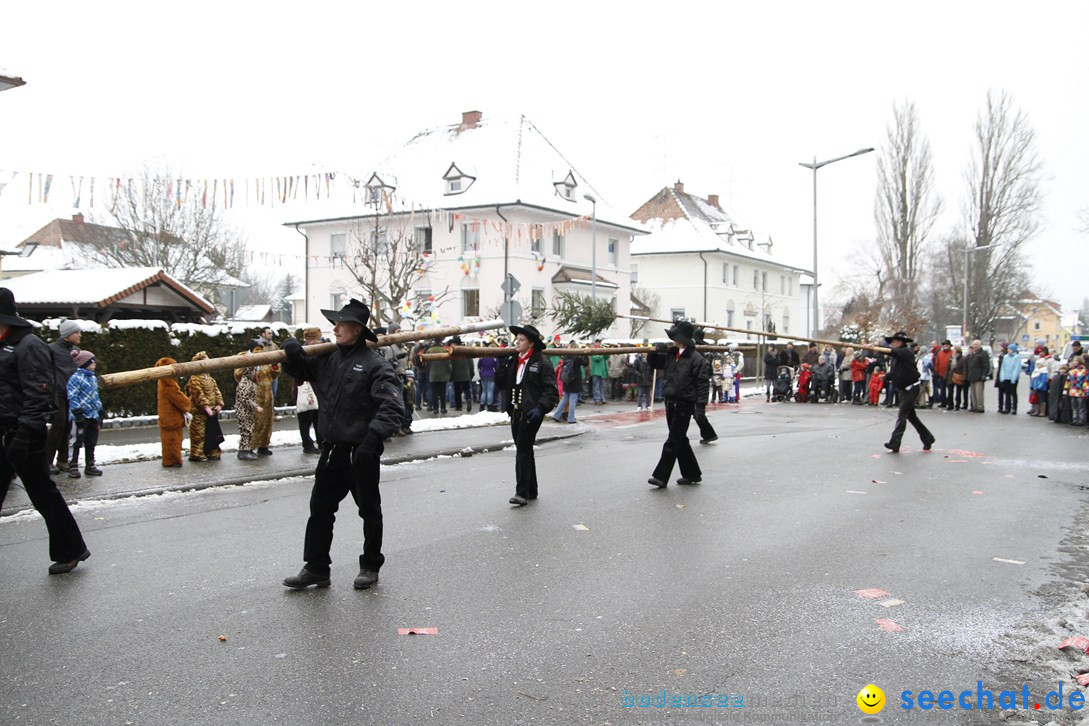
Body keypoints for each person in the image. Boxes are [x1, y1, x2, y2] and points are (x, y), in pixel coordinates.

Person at [280, 299, 403, 590]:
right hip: (332, 450)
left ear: (357, 329)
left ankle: (370, 565)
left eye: (341, 323)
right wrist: (291, 352)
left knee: (369, 511)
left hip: (360, 452)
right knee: (320, 510)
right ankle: (316, 567)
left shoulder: (376, 366)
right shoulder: (327, 359)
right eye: (334, 323)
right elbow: (300, 369)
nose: (334, 328)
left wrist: (370, 442)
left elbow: (392, 409)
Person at [0, 288, 90, 574]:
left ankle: (71, 550)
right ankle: (72, 548)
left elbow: (39, 394)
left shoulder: (29, 346)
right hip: (3, 429)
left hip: (23, 433)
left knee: (42, 493)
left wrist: (24, 435)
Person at [494, 324, 559, 506]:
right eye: (517, 339)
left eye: (521, 340)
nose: (517, 342)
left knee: (522, 449)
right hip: (515, 411)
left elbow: (551, 391)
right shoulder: (514, 361)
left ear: (531, 343)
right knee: (525, 449)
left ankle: (521, 492)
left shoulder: (542, 363)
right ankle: (531, 490)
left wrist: (540, 408)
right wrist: (501, 366)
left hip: (531, 413)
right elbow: (501, 384)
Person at [646, 320, 708, 487]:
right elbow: (654, 364)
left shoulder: (697, 359)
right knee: (681, 439)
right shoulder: (672, 355)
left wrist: (700, 408)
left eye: (676, 338)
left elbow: (703, 385)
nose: (673, 340)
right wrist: (654, 352)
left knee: (673, 440)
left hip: (684, 404)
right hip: (670, 402)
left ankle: (661, 476)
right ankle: (692, 474)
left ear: (682, 339)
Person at [881, 332, 935, 454]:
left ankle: (895, 442)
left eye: (893, 342)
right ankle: (928, 438)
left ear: (900, 342)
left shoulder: (906, 352)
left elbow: (894, 352)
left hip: (912, 388)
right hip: (903, 389)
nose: (892, 344)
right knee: (912, 417)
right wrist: (886, 376)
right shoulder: (896, 357)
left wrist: (878, 348)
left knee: (902, 414)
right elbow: (897, 371)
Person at [47, 318, 81, 474]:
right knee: (58, 424)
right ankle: (47, 461)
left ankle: (63, 460)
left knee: (67, 426)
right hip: (57, 392)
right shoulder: (52, 349)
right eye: (77, 332)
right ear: (68, 334)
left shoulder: (75, 351)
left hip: (71, 393)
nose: (80, 335)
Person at [65, 350, 103, 478]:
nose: (94, 364)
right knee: (76, 441)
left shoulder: (92, 378)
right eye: (92, 362)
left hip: (92, 415)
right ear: (84, 363)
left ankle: (90, 464)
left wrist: (100, 410)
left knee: (91, 441)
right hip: (80, 416)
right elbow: (72, 396)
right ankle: (73, 465)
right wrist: (77, 413)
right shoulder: (76, 378)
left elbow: (95, 396)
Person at [185, 351, 226, 462]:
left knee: (212, 432)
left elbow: (216, 391)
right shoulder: (194, 379)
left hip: (212, 412)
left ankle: (212, 451)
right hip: (199, 412)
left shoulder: (210, 379)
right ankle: (197, 453)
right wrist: (206, 407)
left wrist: (219, 404)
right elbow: (198, 394)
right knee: (198, 433)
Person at [155, 357, 191, 467]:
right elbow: (178, 397)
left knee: (168, 441)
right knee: (173, 441)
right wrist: (187, 404)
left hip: (166, 416)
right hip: (172, 418)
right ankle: (173, 460)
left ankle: (169, 459)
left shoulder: (162, 381)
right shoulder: (168, 382)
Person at [291, 328, 323, 452]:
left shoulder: (323, 350)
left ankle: (321, 442)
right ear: (307, 340)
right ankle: (307, 444)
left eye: (317, 339)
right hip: (304, 390)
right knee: (305, 420)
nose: (316, 342)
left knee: (319, 419)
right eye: (313, 339)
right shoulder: (300, 352)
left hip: (319, 391)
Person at [234, 341, 262, 460]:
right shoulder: (245, 383)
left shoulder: (251, 382)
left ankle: (248, 449)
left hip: (248, 411)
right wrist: (256, 406)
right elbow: (245, 399)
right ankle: (243, 451)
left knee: (249, 430)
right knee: (246, 430)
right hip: (244, 411)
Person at [691, 329, 718, 444]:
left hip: (698, 383)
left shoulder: (704, 354)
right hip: (695, 383)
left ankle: (709, 434)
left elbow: (705, 370)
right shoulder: (704, 352)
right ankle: (709, 434)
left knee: (697, 412)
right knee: (695, 412)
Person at [551, 345, 587, 423]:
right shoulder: (577, 358)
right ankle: (571, 418)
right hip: (575, 381)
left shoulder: (565, 357)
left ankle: (556, 415)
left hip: (566, 381)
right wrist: (585, 354)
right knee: (572, 400)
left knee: (564, 399)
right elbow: (586, 363)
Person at [965, 339, 991, 412]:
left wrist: (984, 374)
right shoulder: (973, 354)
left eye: (976, 344)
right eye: (974, 344)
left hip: (979, 376)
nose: (975, 346)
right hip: (972, 376)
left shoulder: (983, 354)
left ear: (980, 345)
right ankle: (975, 406)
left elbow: (986, 365)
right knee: (973, 393)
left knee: (979, 393)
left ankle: (980, 407)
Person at [426, 340, 450, 414]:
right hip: (443, 375)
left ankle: (435, 408)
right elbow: (448, 363)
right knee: (443, 392)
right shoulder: (444, 350)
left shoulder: (429, 350)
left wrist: (429, 372)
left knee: (434, 393)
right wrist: (448, 372)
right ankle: (443, 408)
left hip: (433, 374)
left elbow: (427, 364)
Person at [449, 336, 473, 412]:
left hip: (456, 374)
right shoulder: (466, 350)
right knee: (467, 389)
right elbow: (471, 363)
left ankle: (458, 406)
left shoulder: (453, 352)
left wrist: (450, 376)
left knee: (457, 392)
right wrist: (471, 373)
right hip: (466, 374)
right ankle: (468, 399)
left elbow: (450, 365)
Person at [997, 343, 1022, 414]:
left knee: (1013, 393)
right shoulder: (1005, 357)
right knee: (1007, 393)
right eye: (1008, 349)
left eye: (1010, 349)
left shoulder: (1017, 357)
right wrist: (1002, 377)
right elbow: (1003, 368)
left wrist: (1014, 378)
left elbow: (1016, 368)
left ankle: (1014, 408)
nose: (1008, 350)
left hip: (1013, 378)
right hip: (1006, 377)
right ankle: (1007, 408)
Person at [932, 340, 953, 409]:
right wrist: (936, 372)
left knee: (950, 390)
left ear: (950, 346)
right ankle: (943, 402)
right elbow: (937, 363)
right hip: (941, 374)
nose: (945, 346)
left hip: (950, 375)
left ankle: (950, 403)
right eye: (944, 345)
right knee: (942, 389)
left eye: (947, 345)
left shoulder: (952, 353)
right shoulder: (940, 353)